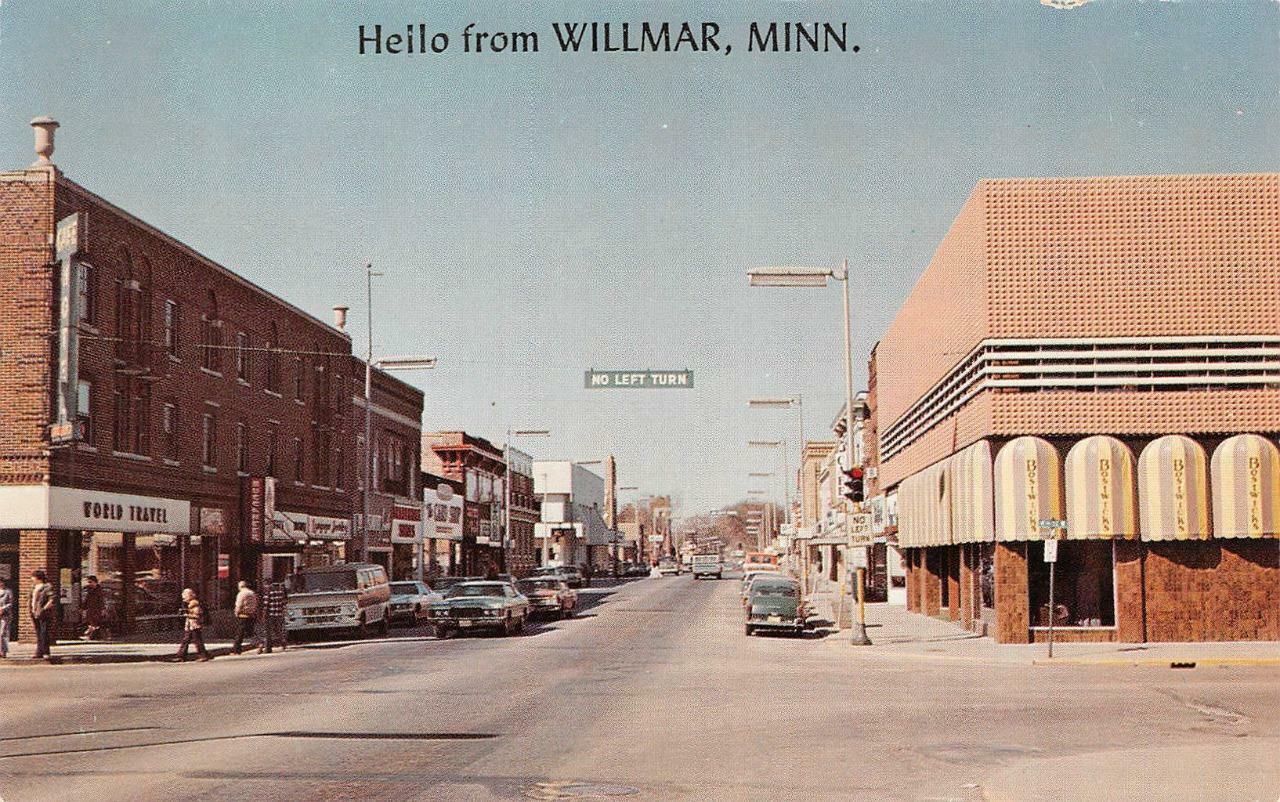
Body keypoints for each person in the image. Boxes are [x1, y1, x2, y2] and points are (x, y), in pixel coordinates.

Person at [175, 588, 211, 662]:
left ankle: (202, 655)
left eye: (185, 596)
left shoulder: (194, 604)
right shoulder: (191, 604)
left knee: (197, 641)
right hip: (190, 626)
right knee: (187, 640)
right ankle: (181, 655)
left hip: (194, 625)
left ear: (190, 596)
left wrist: (187, 615)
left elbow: (197, 616)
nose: (183, 597)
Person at [29, 570, 55, 661]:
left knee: (44, 632)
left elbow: (51, 600)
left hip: (43, 613)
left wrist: (44, 609)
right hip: (34, 611)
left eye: (33, 577)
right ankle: (39, 652)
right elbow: (32, 599)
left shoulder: (47, 587)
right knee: (38, 632)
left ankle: (46, 652)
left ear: (38, 577)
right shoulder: (33, 587)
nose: (32, 578)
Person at [259, 580, 288, 654]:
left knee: (267, 631)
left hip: (270, 614)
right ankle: (283, 642)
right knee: (278, 630)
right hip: (279, 614)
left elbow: (266, 604)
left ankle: (267, 648)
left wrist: (263, 615)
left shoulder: (268, 592)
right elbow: (284, 602)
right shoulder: (280, 592)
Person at [231, 580, 259, 655]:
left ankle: (236, 649)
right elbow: (256, 603)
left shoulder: (241, 594)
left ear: (241, 586)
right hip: (252, 614)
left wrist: (236, 612)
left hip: (243, 615)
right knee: (251, 632)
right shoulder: (252, 593)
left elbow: (239, 605)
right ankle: (259, 643)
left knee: (240, 633)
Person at [81, 575, 104, 640]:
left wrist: (102, 609)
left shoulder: (99, 590)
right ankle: (91, 635)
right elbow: (85, 599)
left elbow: (101, 600)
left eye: (90, 582)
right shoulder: (87, 589)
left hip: (96, 609)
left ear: (95, 582)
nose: (89, 583)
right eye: (88, 582)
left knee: (94, 623)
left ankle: (90, 635)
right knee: (90, 623)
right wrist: (83, 607)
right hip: (89, 608)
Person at [0, 578, 13, 659]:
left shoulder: (8, 591)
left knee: (2, 633)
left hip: (4, 615)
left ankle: (3, 651)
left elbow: (10, 603)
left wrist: (2, 608)